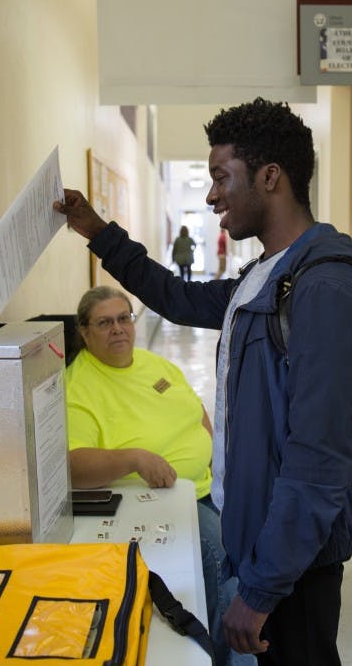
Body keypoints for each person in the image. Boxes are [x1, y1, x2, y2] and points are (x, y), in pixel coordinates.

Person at [55, 98, 352, 666]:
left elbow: (319, 464)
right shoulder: (269, 275)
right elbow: (177, 297)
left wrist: (258, 593)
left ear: (270, 177)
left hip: (297, 562)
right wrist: (96, 231)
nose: (211, 196)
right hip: (265, 538)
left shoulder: (326, 292)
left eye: (220, 178)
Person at [64, 285, 252, 666]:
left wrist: (216, 460)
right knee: (225, 560)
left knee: (257, 542)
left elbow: (193, 407)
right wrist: (133, 458)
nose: (118, 329)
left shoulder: (154, 364)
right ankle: (235, 659)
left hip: (207, 487)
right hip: (164, 500)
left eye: (123, 318)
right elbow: (74, 465)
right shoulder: (78, 387)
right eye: (104, 323)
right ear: (84, 332)